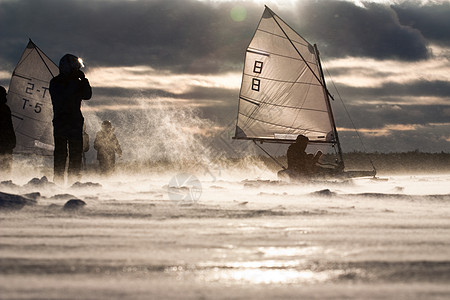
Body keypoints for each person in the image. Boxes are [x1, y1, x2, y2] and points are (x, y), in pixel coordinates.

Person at [49, 54, 92, 184]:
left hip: (62, 122)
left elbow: (87, 95)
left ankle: (63, 180)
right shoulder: (65, 83)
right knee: (71, 154)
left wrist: (82, 81)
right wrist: (81, 81)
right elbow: (85, 95)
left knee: (64, 154)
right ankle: (70, 181)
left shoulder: (55, 81)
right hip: (70, 122)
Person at [0, 86, 16, 178]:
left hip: (6, 144)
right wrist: (12, 141)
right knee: (5, 169)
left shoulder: (6, 109)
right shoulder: (5, 109)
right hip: (5, 144)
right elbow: (9, 127)